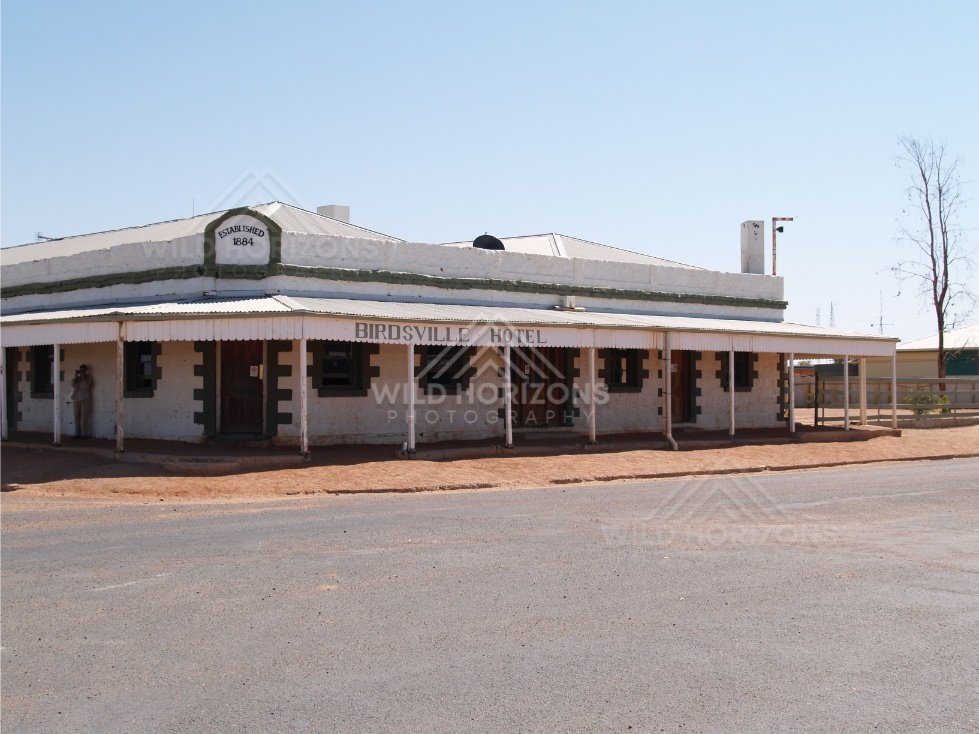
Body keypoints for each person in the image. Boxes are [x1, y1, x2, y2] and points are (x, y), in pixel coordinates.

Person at [70, 364, 94, 438]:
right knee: (76, 416)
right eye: (81, 370)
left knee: (84, 417)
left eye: (83, 370)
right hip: (76, 398)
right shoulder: (78, 378)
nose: (82, 372)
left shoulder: (88, 377)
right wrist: (76, 376)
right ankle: (77, 433)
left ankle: (84, 434)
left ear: (86, 370)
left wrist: (83, 377)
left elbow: (86, 385)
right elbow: (73, 385)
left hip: (85, 398)